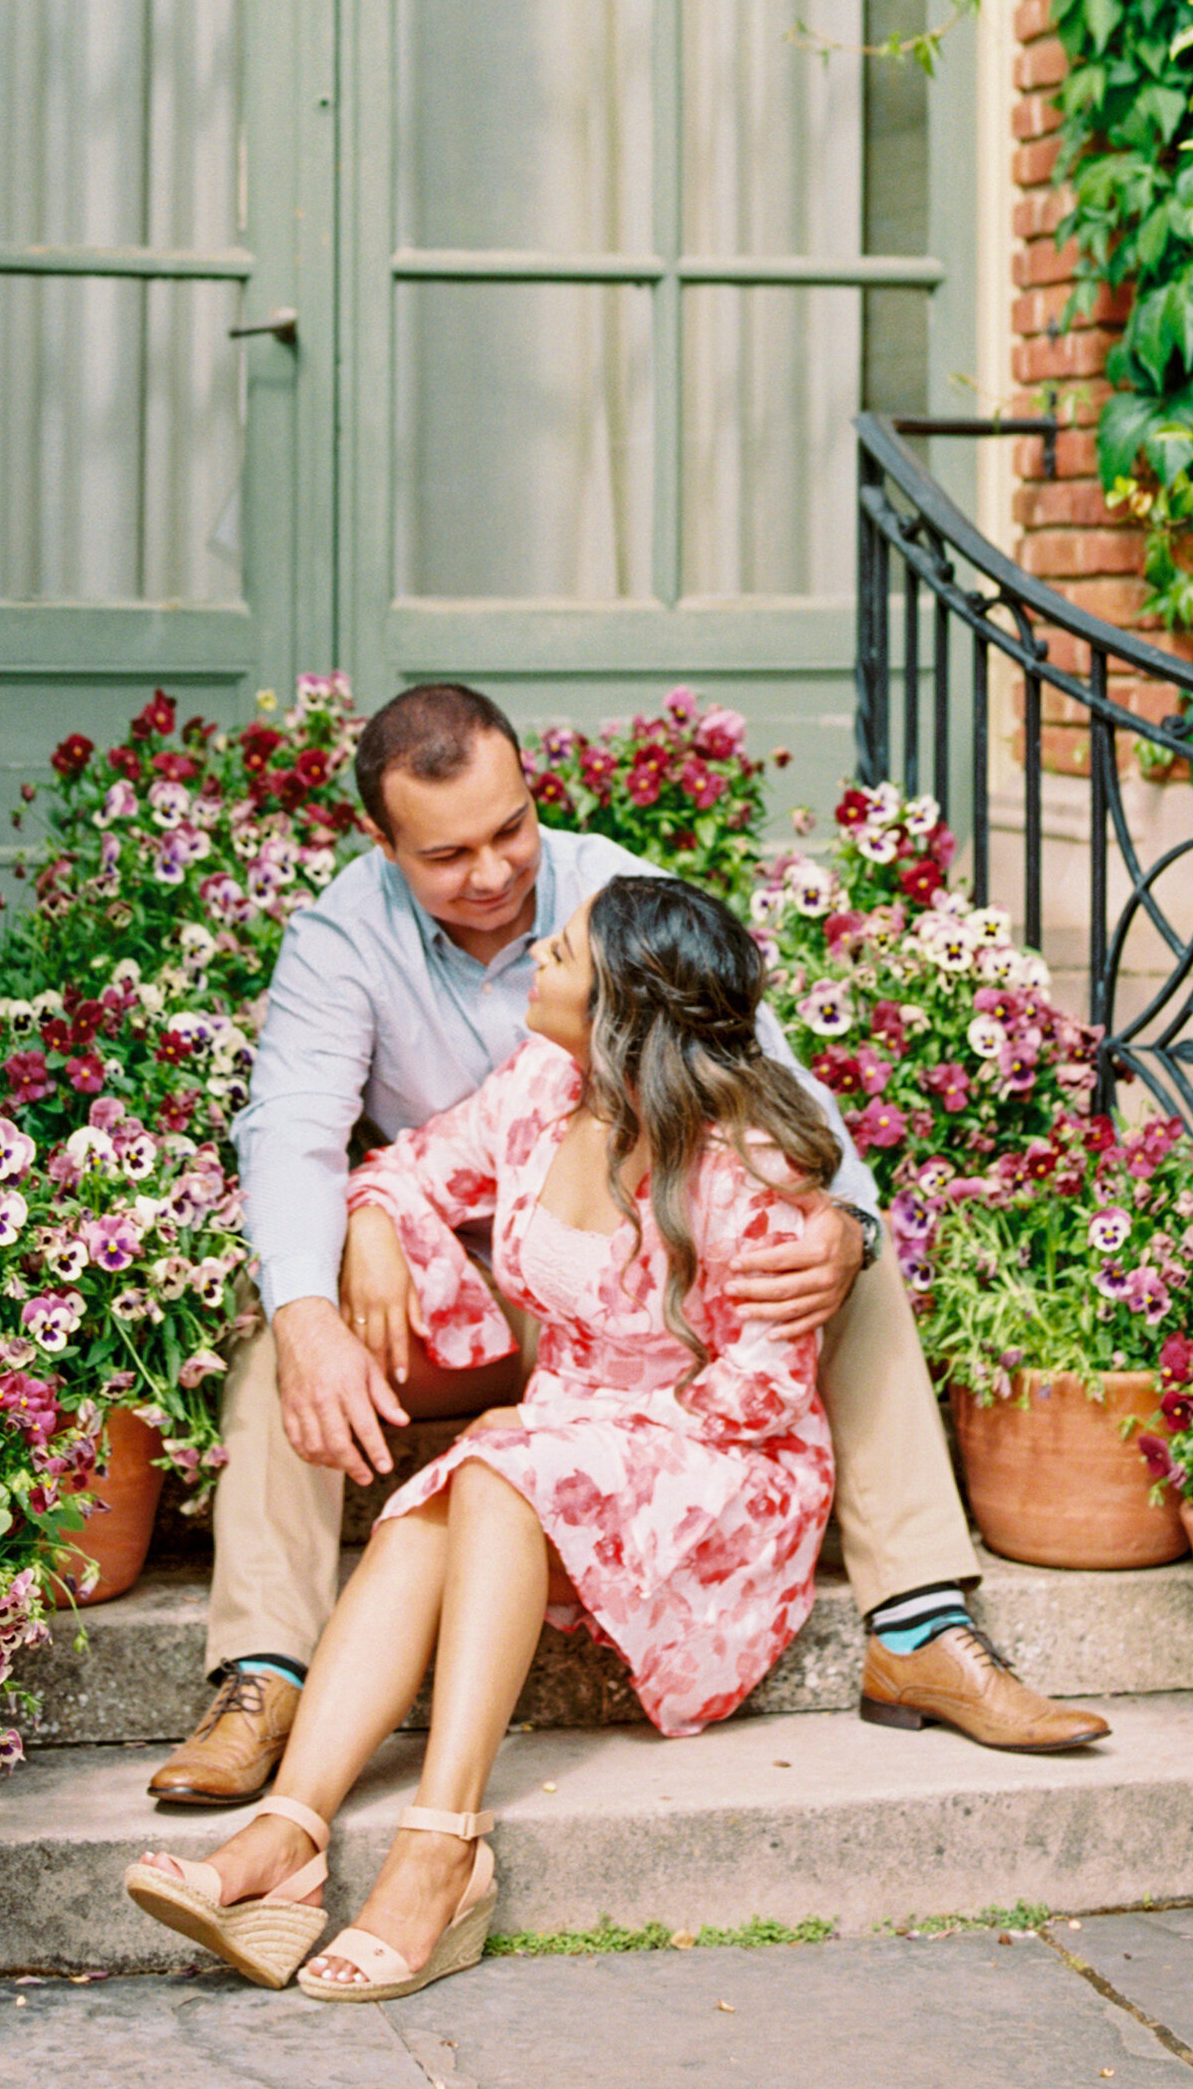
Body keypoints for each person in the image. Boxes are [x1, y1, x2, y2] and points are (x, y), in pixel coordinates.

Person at [146, 682, 1105, 1812]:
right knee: (287, 1335)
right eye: (449, 853)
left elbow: (768, 1077)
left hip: (648, 1299)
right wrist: (346, 1248)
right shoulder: (342, 936)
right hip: (453, 1280)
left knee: (844, 1251)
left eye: (511, 829)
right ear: (383, 841)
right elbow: (293, 1134)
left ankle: (920, 1625)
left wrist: (843, 1226)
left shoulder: (606, 892)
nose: (496, 872)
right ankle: (264, 1673)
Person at [124, 873, 844, 1996]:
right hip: (567, 1437)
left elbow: (757, 1393)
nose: (537, 960)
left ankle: (442, 1845)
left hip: (721, 1468)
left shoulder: (741, 1168)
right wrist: (368, 1221)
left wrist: (577, 1426)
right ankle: (291, 1829)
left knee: (499, 1465)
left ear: (621, 1002)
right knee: (427, 1509)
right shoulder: (541, 1087)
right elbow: (409, 1166)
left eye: (561, 954)